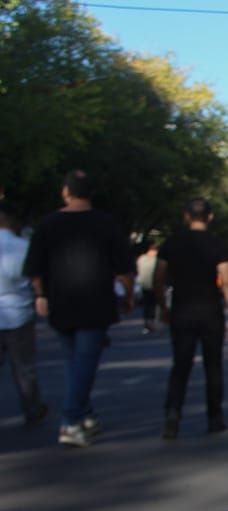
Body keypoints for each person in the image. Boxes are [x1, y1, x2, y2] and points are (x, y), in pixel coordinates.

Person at [23, 169, 133, 447]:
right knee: (84, 362)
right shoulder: (106, 223)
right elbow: (124, 270)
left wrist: (41, 295)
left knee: (74, 361)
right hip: (95, 302)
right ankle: (71, 421)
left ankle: (85, 414)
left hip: (60, 301)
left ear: (65, 191)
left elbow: (34, 269)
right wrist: (128, 296)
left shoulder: (47, 224)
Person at [155, 197, 228, 439]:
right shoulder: (218, 244)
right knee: (213, 366)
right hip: (210, 312)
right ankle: (215, 417)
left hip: (182, 310)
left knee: (180, 365)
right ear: (210, 217)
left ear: (186, 216)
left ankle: (172, 414)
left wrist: (163, 306)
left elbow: (159, 278)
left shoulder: (172, 242)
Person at [0, 201, 47, 426]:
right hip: (18, 311)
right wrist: (40, 296)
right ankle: (32, 407)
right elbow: (35, 278)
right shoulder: (23, 246)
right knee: (24, 367)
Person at [136, 242, 159, 334]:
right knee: (152, 305)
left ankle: (147, 323)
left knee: (147, 304)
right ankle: (150, 323)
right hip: (153, 284)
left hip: (143, 284)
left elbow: (138, 270)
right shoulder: (156, 260)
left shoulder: (141, 258)